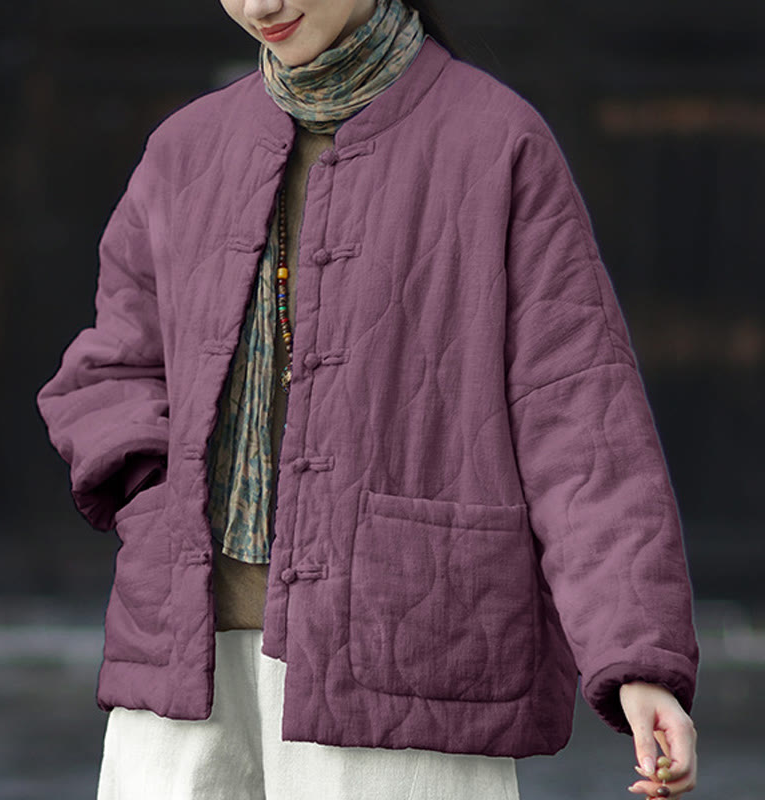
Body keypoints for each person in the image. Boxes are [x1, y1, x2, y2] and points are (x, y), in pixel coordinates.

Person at [35, 1, 700, 798]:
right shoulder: (186, 149)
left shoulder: (495, 141)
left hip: (408, 657)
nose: (261, 6)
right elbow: (111, 368)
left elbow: (579, 423)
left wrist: (638, 658)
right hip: (183, 662)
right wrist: (156, 503)